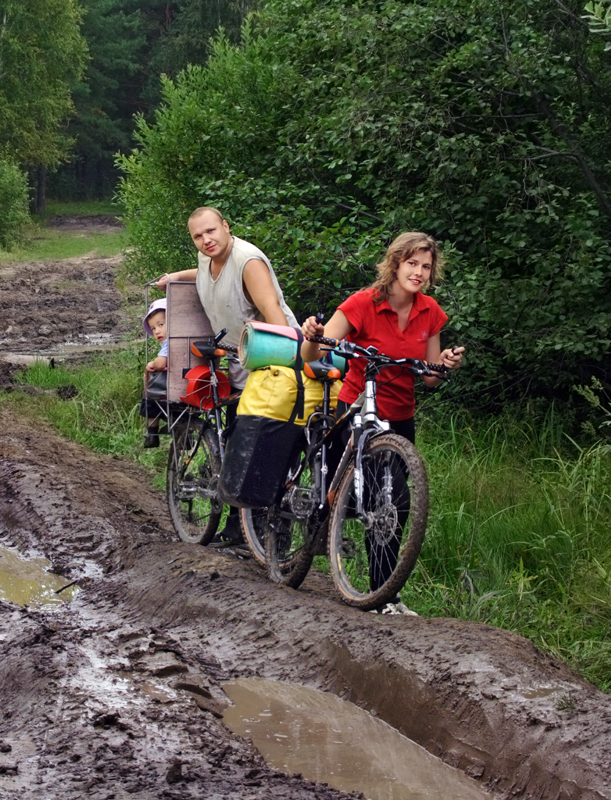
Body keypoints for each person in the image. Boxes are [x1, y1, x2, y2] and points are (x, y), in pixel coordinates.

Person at [299, 231, 465, 597]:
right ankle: (375, 586)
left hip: (401, 416)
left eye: (426, 265)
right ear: (395, 264)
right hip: (359, 407)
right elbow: (314, 354)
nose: (419, 272)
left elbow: (431, 376)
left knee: (396, 503)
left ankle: (382, 593)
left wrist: (446, 363)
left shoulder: (430, 312)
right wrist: (312, 334)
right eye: (412, 263)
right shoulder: (363, 303)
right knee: (378, 499)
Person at [154, 206, 298, 390]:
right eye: (197, 236)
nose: (206, 240)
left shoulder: (248, 261)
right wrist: (177, 277)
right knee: (234, 417)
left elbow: (272, 308)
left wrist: (285, 370)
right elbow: (211, 276)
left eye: (210, 231)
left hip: (270, 366)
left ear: (225, 226)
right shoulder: (206, 257)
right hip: (239, 365)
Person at [140, 298, 169, 448]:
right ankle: (187, 435)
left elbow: (161, 363)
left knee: (149, 395)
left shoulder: (170, 342)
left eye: (160, 325)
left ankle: (152, 432)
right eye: (153, 328)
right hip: (192, 387)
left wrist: (152, 364)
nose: (156, 331)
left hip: (168, 389)